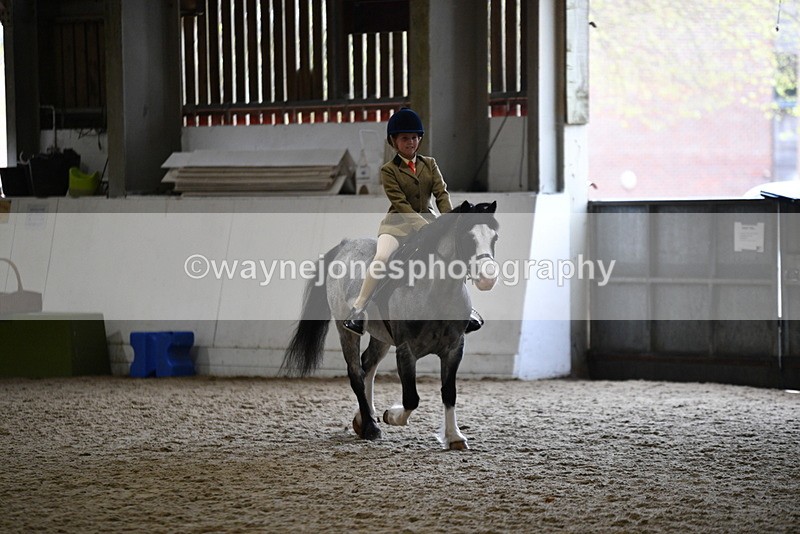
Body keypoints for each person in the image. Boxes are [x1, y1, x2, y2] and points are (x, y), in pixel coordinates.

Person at [342, 107, 483, 335]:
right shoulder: (388, 170)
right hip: (397, 224)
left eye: (414, 138)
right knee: (381, 258)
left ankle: (465, 309)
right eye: (405, 138)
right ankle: (359, 308)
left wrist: (449, 221)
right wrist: (424, 228)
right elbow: (400, 203)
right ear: (394, 142)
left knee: (453, 253)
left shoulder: (430, 164)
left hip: (430, 221)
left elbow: (441, 194)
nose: (411, 143)